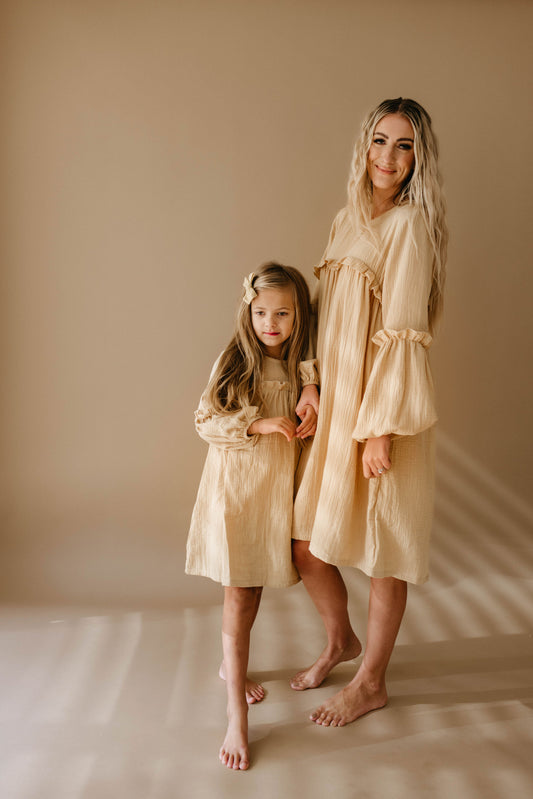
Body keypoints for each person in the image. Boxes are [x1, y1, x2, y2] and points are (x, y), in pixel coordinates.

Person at [291, 97, 448, 727]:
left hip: (384, 414)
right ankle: (340, 640)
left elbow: (404, 330)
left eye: (403, 146)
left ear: (418, 158)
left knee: (385, 550)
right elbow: (327, 317)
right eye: (380, 141)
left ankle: (371, 682)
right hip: (337, 409)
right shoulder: (345, 220)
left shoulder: (410, 227)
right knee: (307, 544)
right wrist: (312, 386)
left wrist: (378, 427)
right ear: (364, 145)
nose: (388, 157)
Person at [186, 262, 318, 769]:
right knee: (239, 592)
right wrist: (260, 423)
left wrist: (310, 393)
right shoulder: (236, 359)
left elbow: (315, 368)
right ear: (249, 311)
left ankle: (229, 665)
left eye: (283, 313)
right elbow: (205, 420)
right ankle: (235, 713)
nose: (271, 324)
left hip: (274, 499)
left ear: (297, 316)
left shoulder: (304, 365)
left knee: (255, 590)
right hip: (237, 495)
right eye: (262, 312)